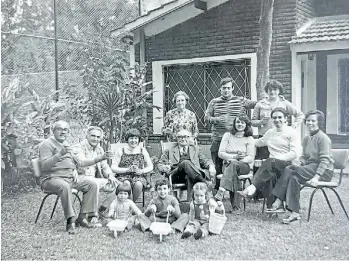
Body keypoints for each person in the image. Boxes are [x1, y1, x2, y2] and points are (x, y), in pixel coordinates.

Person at [268, 110, 334, 224]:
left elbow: (324, 160)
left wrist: (316, 177)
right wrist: (300, 162)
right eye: (308, 120)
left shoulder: (323, 138)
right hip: (310, 168)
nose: (309, 123)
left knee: (289, 169)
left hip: (324, 171)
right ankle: (295, 214)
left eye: (313, 120)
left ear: (319, 122)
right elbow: (304, 157)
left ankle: (278, 200)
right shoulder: (306, 138)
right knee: (293, 178)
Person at [39, 120, 101, 234]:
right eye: (60, 129)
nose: (63, 132)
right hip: (51, 179)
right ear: (53, 131)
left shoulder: (66, 144)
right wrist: (60, 154)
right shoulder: (46, 144)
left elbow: (77, 162)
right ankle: (70, 220)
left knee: (92, 183)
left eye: (66, 130)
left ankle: (82, 217)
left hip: (69, 178)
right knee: (64, 186)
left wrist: (74, 170)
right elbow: (44, 165)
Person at [237, 108, 301, 209]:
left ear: (285, 119)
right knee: (270, 176)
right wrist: (242, 139)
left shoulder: (292, 132)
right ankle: (272, 208)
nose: (277, 120)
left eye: (280, 117)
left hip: (288, 165)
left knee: (269, 162)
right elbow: (258, 142)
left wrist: (277, 159)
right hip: (272, 166)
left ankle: (252, 187)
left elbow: (294, 153)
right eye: (274, 117)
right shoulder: (270, 132)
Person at [205, 77, 256, 181]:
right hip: (218, 138)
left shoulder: (241, 100)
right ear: (220, 89)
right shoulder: (214, 102)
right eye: (224, 88)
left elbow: (257, 104)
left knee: (235, 165)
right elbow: (206, 118)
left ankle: (234, 192)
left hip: (236, 140)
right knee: (218, 166)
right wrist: (216, 119)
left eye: (228, 88)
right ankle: (218, 191)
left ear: (233, 88)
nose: (226, 90)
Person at [72, 126, 120, 218]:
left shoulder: (99, 149)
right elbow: (82, 162)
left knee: (116, 185)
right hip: (78, 179)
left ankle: (101, 209)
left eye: (98, 137)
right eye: (93, 136)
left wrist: (110, 175)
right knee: (94, 183)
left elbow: (104, 166)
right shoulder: (78, 147)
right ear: (87, 135)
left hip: (93, 179)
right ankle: (91, 215)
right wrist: (99, 158)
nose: (95, 139)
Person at [251, 80, 304, 160]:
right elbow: (253, 122)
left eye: (275, 89)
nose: (272, 92)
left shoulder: (284, 103)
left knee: (279, 163)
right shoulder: (260, 104)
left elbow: (300, 115)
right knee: (261, 164)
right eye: (270, 90)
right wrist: (261, 122)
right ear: (267, 91)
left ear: (279, 91)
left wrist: (293, 126)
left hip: (280, 141)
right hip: (264, 139)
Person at [157, 129, 216, 201]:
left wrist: (211, 166)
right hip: (176, 175)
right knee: (186, 162)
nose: (183, 139)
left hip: (191, 174)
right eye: (180, 137)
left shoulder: (196, 149)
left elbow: (204, 161)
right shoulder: (169, 150)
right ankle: (203, 181)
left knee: (189, 176)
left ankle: (190, 202)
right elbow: (160, 164)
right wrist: (164, 167)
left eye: (186, 137)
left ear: (190, 138)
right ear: (177, 138)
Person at [214, 114, 255, 214]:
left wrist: (237, 161)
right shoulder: (227, 135)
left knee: (234, 166)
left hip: (243, 165)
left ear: (246, 125)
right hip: (228, 164)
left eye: (242, 122)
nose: (239, 124)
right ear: (234, 124)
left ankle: (222, 188)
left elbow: (250, 157)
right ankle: (236, 207)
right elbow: (220, 153)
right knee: (233, 174)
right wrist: (233, 158)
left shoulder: (249, 138)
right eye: (237, 122)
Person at [111, 128, 153, 202]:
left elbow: (151, 166)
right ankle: (129, 207)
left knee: (139, 184)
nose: (133, 141)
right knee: (126, 184)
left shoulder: (142, 150)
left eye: (136, 138)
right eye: (131, 138)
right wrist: (127, 170)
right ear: (127, 139)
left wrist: (142, 171)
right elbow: (113, 167)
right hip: (123, 176)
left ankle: (130, 205)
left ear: (138, 139)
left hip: (138, 175)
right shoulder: (120, 150)